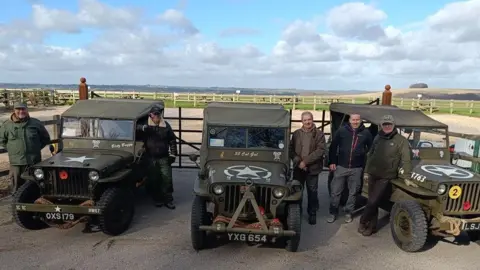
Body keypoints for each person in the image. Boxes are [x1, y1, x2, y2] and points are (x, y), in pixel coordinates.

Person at [358, 115, 412, 236]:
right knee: (373, 202)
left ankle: (362, 221)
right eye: (384, 124)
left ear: (393, 125)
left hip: (386, 176)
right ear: (381, 125)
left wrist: (407, 177)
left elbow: (406, 160)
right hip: (373, 173)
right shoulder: (378, 137)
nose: (387, 126)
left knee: (373, 201)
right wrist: (367, 171)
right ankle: (371, 227)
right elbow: (371, 154)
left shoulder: (401, 141)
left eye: (389, 124)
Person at [327, 113, 373, 223]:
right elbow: (333, 146)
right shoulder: (342, 131)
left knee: (353, 192)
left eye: (357, 119)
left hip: (356, 168)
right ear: (350, 120)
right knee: (335, 191)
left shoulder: (366, 133)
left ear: (361, 120)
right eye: (353, 119)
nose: (355, 122)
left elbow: (371, 150)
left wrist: (365, 162)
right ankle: (333, 212)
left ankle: (348, 212)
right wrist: (332, 161)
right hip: (341, 166)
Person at [0, 102, 50, 193]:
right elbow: (2, 140)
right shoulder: (7, 125)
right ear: (14, 110)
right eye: (18, 109)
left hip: (33, 162)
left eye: (23, 109)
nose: (21, 111)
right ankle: (15, 205)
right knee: (16, 188)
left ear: (27, 110)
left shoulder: (35, 123)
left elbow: (46, 139)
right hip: (16, 163)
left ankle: (35, 205)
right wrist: (13, 149)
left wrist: (35, 148)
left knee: (35, 186)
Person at [138, 105, 178, 209]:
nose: (157, 117)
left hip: (163, 157)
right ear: (150, 115)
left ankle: (168, 200)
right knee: (154, 179)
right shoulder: (146, 125)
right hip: (151, 157)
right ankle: (157, 199)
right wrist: (142, 128)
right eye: (155, 115)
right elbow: (134, 128)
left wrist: (173, 154)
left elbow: (172, 140)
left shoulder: (165, 126)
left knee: (167, 178)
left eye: (158, 115)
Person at [290, 111, 326, 225]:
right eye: (305, 120)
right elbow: (291, 149)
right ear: (302, 121)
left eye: (309, 119)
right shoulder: (296, 133)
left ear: (312, 119)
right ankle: (297, 212)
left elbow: (320, 151)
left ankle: (312, 213)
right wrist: (298, 161)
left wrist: (305, 162)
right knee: (297, 191)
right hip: (298, 168)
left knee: (312, 192)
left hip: (313, 168)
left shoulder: (319, 134)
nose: (307, 122)